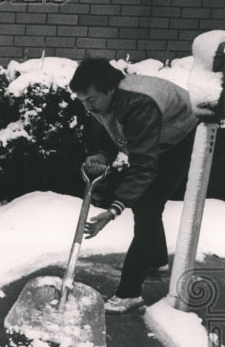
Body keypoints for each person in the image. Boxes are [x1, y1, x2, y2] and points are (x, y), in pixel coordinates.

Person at [69, 58, 198, 313]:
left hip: (179, 138)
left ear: (110, 90)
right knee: (147, 206)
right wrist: (102, 155)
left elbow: (143, 167)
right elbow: (111, 129)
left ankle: (130, 294)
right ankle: (157, 260)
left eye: (91, 100)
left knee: (148, 207)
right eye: (82, 100)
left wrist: (113, 210)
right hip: (155, 134)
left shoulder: (140, 105)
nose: (86, 106)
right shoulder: (103, 100)